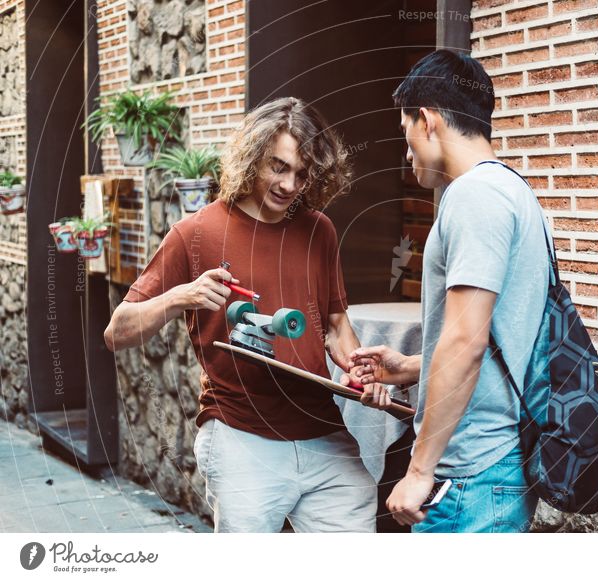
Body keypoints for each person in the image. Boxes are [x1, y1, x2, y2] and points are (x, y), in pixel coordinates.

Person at [104, 97, 392, 533]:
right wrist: (181, 296)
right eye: (278, 166)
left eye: (301, 172)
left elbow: (336, 327)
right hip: (241, 435)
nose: (289, 184)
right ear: (253, 155)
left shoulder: (319, 230)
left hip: (322, 430)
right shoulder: (195, 233)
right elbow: (117, 331)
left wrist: (360, 372)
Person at [347, 50, 552, 533]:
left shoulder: (471, 197)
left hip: (471, 472)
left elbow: (466, 343)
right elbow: (499, 334)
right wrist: (412, 368)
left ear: (429, 120)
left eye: (406, 133)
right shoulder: (515, 191)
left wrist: (419, 472)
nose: (407, 151)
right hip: (500, 461)